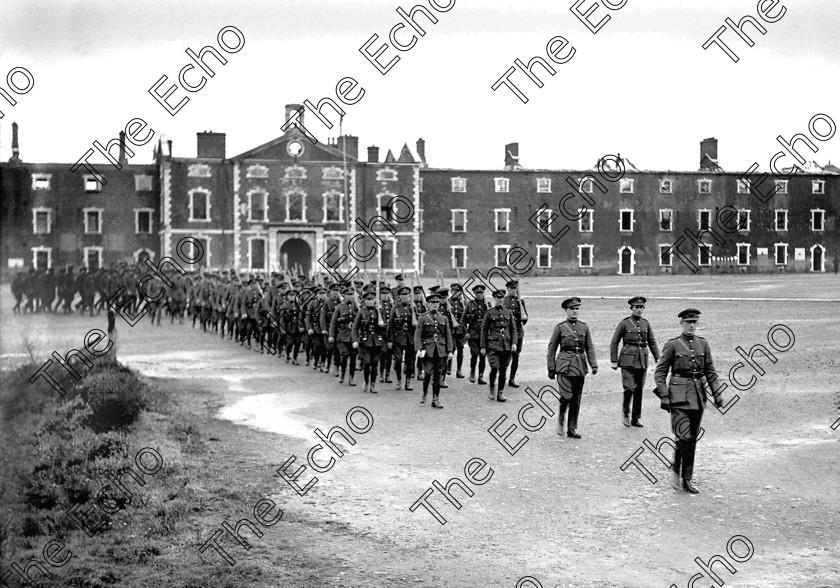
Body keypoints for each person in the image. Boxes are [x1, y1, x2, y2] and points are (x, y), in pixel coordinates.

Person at [653, 308, 725, 494]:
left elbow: (710, 371)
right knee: (682, 438)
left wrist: (717, 394)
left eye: (694, 322)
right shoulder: (673, 345)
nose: (691, 326)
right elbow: (660, 373)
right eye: (688, 323)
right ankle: (676, 472)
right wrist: (664, 396)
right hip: (678, 398)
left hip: (698, 397)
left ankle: (687, 479)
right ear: (681, 324)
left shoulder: (703, 344)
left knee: (692, 440)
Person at [546, 297, 597, 439]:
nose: (575, 311)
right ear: (566, 311)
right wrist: (551, 368)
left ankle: (572, 428)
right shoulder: (560, 327)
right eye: (572, 309)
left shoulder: (584, 327)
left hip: (580, 366)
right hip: (563, 367)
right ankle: (561, 419)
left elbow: (589, 347)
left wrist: (593, 364)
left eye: (577, 309)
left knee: (576, 399)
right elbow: (552, 348)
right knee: (566, 396)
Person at [610, 296, 660, 428]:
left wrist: (658, 358)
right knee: (629, 388)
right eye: (636, 307)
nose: (639, 310)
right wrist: (614, 360)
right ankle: (626, 412)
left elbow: (652, 342)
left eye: (641, 307)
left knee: (639, 390)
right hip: (627, 359)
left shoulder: (646, 323)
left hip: (642, 359)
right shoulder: (624, 323)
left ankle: (636, 417)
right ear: (631, 308)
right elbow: (614, 342)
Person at [413, 293, 453, 408]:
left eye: (436, 302)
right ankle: (425, 393)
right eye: (432, 303)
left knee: (438, 375)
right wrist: (419, 348)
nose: (435, 305)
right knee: (428, 373)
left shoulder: (444, 318)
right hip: (428, 350)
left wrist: (450, 351)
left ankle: (435, 399)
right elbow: (418, 335)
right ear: (428, 304)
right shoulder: (423, 317)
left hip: (440, 350)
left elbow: (448, 335)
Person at [481, 289, 518, 402]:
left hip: (506, 345)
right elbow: (484, 330)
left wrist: (514, 343)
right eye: (498, 298)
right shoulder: (489, 313)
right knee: (494, 367)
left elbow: (513, 329)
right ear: (494, 299)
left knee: (503, 370)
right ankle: (492, 388)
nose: (500, 300)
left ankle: (500, 392)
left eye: (502, 298)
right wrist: (483, 346)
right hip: (493, 345)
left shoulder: (508, 312)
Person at [352, 290, 386, 393]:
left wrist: (382, 325)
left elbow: (385, 328)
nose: (370, 302)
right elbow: (355, 327)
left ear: (375, 300)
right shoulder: (361, 312)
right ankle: (366, 382)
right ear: (364, 301)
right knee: (367, 363)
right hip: (365, 341)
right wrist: (355, 340)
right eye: (368, 300)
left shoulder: (379, 311)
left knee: (375, 363)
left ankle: (373, 385)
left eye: (372, 299)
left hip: (377, 341)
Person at [388, 285, 416, 391]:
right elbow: (390, 326)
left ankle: (408, 381)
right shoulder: (395, 309)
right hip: (398, 339)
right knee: (398, 360)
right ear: (399, 297)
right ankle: (399, 380)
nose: (405, 297)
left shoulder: (414, 309)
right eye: (403, 295)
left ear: (410, 296)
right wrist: (390, 340)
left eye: (407, 295)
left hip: (410, 339)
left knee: (410, 362)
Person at [329, 286, 358, 386]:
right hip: (342, 336)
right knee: (344, 355)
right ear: (344, 296)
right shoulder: (339, 307)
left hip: (353, 336)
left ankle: (351, 378)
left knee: (353, 357)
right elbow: (333, 322)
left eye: (351, 295)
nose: (350, 297)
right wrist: (331, 335)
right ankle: (342, 375)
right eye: (348, 295)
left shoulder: (357, 306)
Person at [461, 284, 489, 384]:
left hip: (484, 335)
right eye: (477, 293)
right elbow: (463, 320)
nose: (479, 295)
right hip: (473, 334)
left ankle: (481, 376)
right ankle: (472, 372)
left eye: (481, 293)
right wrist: (466, 332)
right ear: (474, 293)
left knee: (483, 355)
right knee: (475, 354)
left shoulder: (487, 304)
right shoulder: (470, 304)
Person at [502, 280, 527, 388]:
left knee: (516, 356)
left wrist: (525, 318)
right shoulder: (503, 300)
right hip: (507, 332)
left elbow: (525, 318)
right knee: (506, 356)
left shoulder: (520, 301)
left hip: (518, 331)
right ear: (507, 289)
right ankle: (502, 377)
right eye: (512, 288)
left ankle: (512, 378)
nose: (514, 290)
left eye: (515, 288)